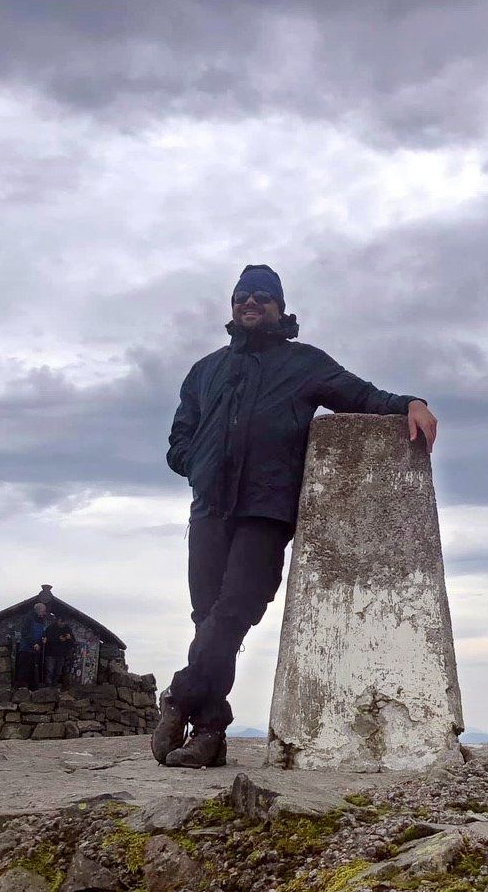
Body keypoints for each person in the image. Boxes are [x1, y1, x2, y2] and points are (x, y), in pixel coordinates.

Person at [152, 264, 438, 769]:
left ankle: (178, 696)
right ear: (233, 305)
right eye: (243, 295)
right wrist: (196, 462)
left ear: (280, 307)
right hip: (210, 509)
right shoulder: (204, 371)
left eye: (263, 296)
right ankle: (211, 733)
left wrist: (411, 402)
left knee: (234, 611)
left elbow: (362, 394)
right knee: (208, 619)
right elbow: (178, 439)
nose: (251, 303)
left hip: (267, 510)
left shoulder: (304, 364)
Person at [15, 601, 52, 689]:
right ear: (39, 610)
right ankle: (20, 688)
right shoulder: (28, 618)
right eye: (43, 611)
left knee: (33, 670)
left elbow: (42, 633)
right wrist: (33, 643)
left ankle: (33, 688)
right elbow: (25, 633)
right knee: (24, 669)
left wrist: (43, 638)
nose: (44, 613)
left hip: (35, 650)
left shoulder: (41, 620)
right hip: (26, 649)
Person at [43, 622, 76, 687]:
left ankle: (55, 685)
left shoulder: (67, 629)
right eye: (61, 622)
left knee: (58, 672)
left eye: (64, 622)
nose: (63, 624)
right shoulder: (51, 628)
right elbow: (47, 639)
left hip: (61, 654)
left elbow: (73, 642)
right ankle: (48, 686)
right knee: (50, 670)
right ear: (58, 620)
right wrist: (58, 639)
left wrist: (69, 638)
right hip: (50, 653)